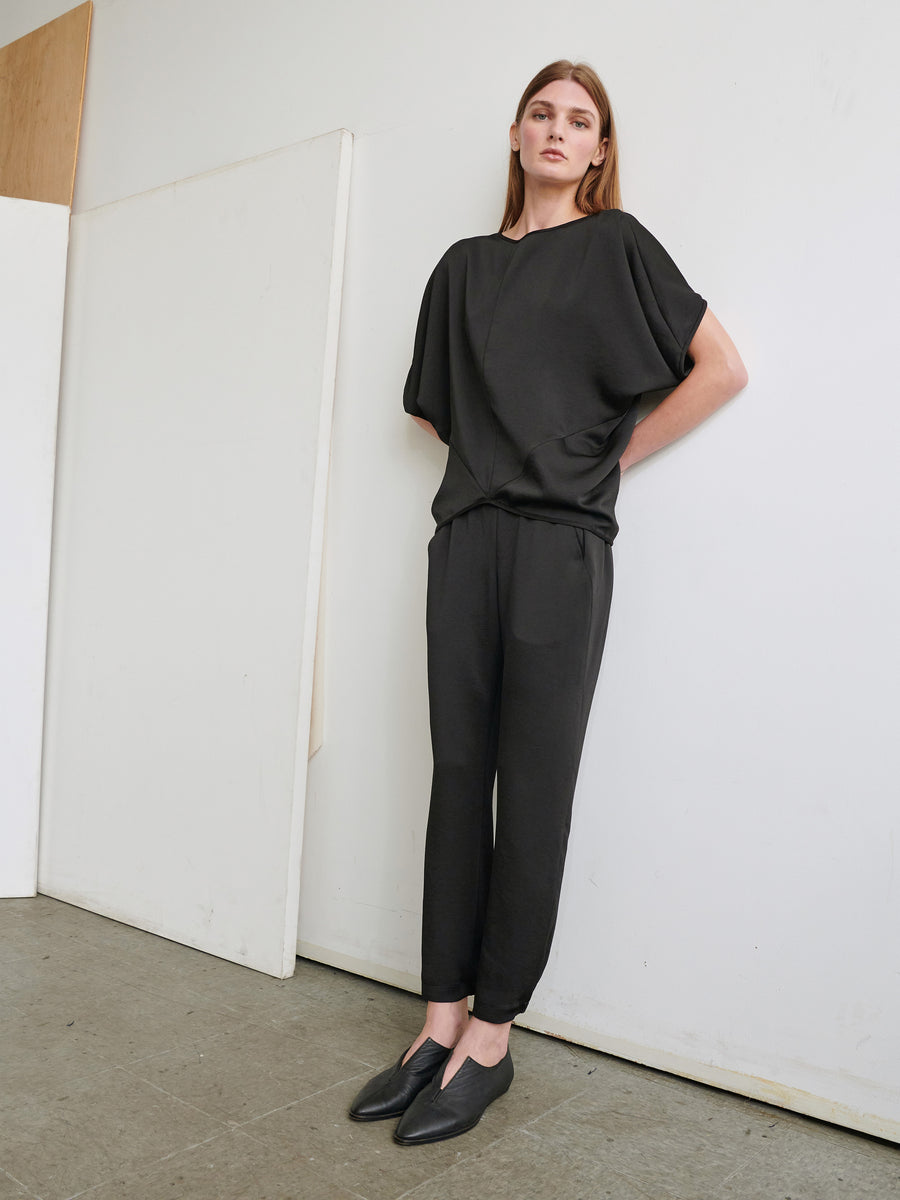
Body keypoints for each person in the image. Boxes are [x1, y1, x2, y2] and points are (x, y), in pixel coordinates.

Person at [348, 59, 748, 1146]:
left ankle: (492, 1038)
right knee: (456, 779)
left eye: (582, 121)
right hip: (466, 542)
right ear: (517, 136)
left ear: (601, 150)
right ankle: (434, 1025)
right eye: (544, 114)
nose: (561, 132)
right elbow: (438, 414)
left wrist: (602, 467)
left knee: (532, 790)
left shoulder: (618, 248)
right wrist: (505, 462)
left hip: (564, 550)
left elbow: (720, 366)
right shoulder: (463, 268)